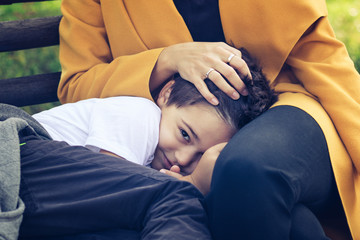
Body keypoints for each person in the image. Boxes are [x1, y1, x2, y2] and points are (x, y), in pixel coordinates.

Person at [57, 0, 360, 239]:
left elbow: (322, 59)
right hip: (178, 120)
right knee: (294, 222)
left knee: (246, 168)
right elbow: (77, 85)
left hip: (284, 103)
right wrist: (167, 60)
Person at [32, 48, 277, 192]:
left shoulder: (156, 146)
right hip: (27, 157)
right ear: (166, 93)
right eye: (185, 134)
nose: (182, 159)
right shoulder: (140, 116)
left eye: (201, 156)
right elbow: (110, 188)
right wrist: (187, 186)